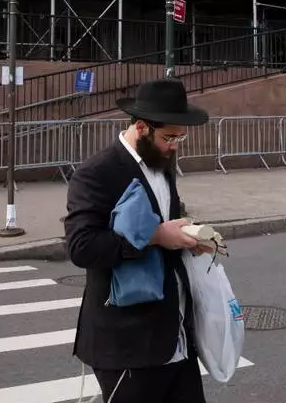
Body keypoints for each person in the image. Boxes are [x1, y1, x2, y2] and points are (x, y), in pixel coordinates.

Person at [64, 77, 214, 402]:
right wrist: (155, 236)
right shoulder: (97, 172)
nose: (175, 146)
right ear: (142, 127)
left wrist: (188, 237)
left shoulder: (162, 165)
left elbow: (165, 224)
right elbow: (81, 247)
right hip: (128, 345)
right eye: (169, 137)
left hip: (175, 334)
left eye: (180, 137)